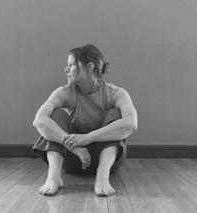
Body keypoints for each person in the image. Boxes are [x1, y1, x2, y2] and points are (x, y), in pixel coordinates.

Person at [32, 44, 138, 197]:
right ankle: (53, 178)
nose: (66, 69)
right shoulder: (64, 92)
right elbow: (39, 120)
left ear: (89, 66)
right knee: (56, 115)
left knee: (116, 114)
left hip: (108, 162)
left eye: (71, 65)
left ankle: (102, 177)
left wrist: (88, 137)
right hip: (73, 159)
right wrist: (73, 146)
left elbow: (130, 123)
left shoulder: (116, 93)